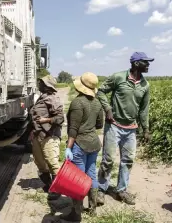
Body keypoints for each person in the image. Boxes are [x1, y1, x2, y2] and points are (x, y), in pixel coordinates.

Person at [97, 52, 154, 206]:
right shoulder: (118, 77)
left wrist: (146, 129)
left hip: (131, 129)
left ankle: (121, 190)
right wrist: (108, 109)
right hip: (114, 125)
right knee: (108, 160)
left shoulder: (145, 85)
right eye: (145, 62)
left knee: (127, 161)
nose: (148, 65)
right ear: (136, 63)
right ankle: (101, 190)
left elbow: (144, 109)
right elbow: (101, 91)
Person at [60, 72, 104, 222]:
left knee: (77, 180)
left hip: (80, 143)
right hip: (94, 143)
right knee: (91, 174)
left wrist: (68, 147)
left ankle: (76, 213)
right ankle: (92, 208)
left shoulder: (77, 103)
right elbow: (100, 124)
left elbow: (73, 129)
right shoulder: (97, 103)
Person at [29, 75, 64, 200]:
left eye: (42, 83)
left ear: (47, 86)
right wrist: (33, 130)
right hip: (39, 135)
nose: (39, 85)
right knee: (39, 162)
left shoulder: (52, 99)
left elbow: (60, 118)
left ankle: (57, 189)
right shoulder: (42, 97)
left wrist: (47, 119)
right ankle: (49, 185)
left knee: (52, 162)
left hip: (50, 135)